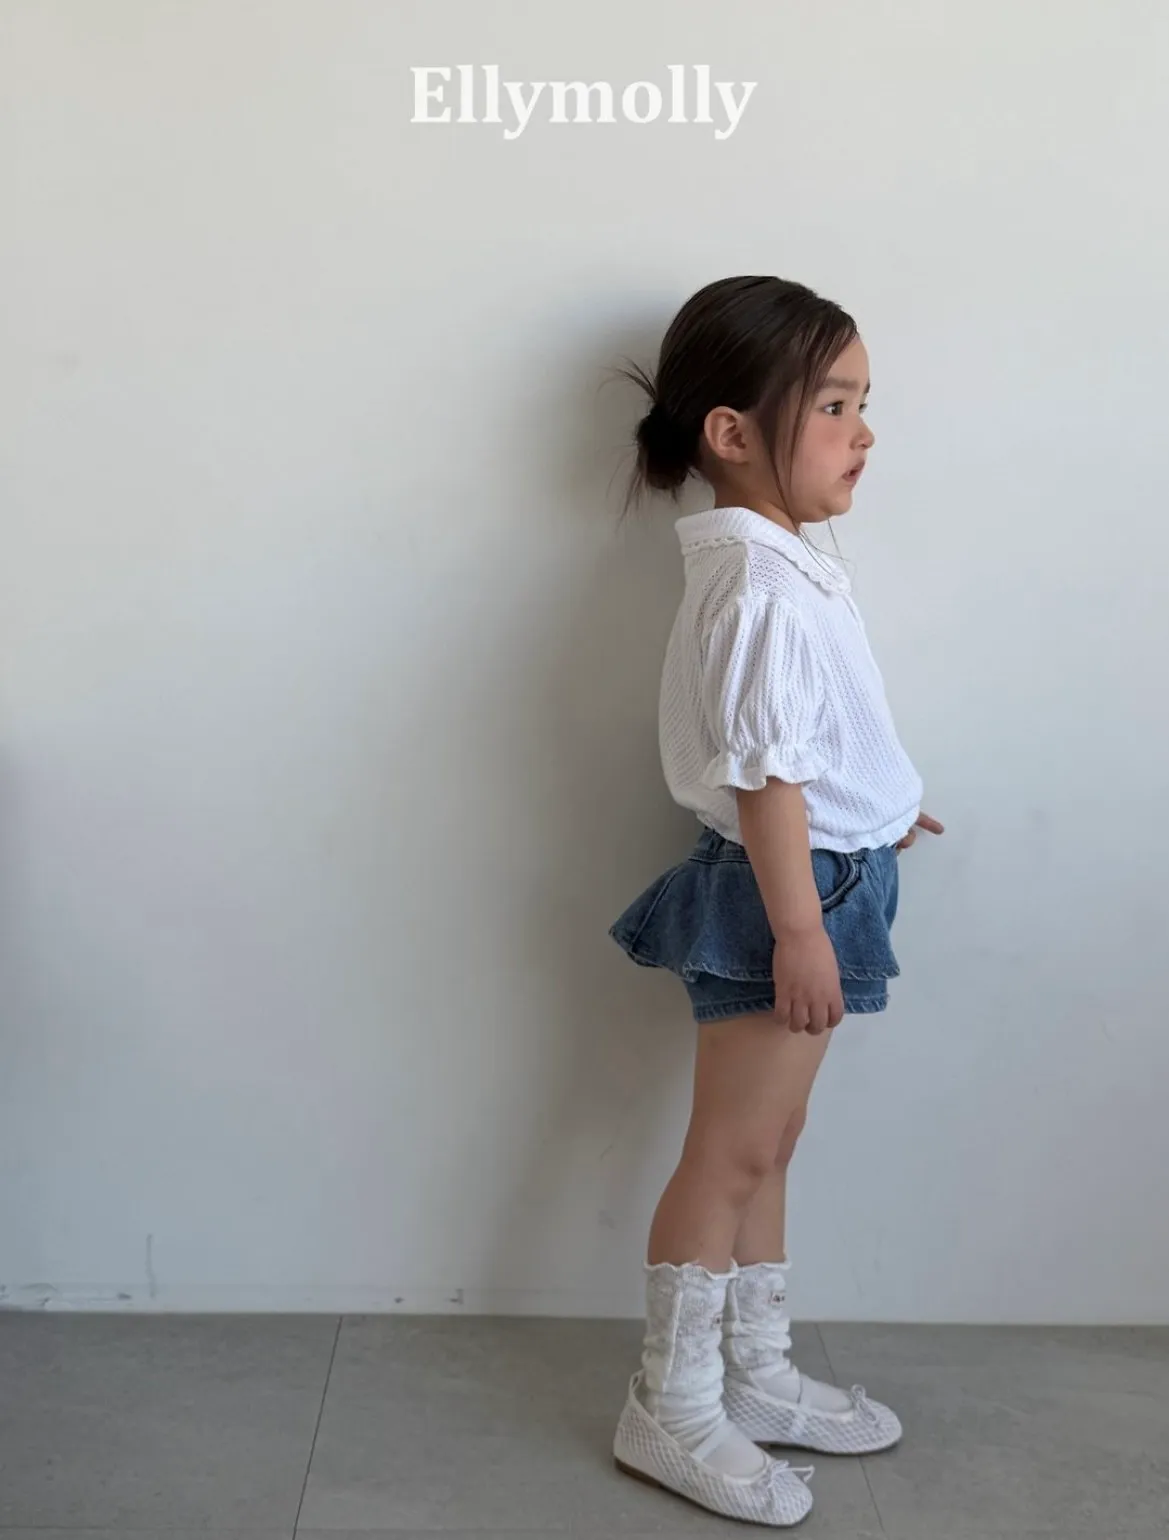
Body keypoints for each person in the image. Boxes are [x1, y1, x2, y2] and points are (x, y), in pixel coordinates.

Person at [607, 275, 943, 1528]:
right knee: (729, 1150)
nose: (864, 431)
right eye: (834, 406)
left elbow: (808, 742)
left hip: (825, 872)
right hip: (782, 897)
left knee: (770, 1141)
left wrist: (879, 799)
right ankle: (671, 1402)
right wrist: (798, 927)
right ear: (731, 432)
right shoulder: (754, 583)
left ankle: (751, 1371)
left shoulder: (783, 562)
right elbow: (761, 775)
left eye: (863, 403)